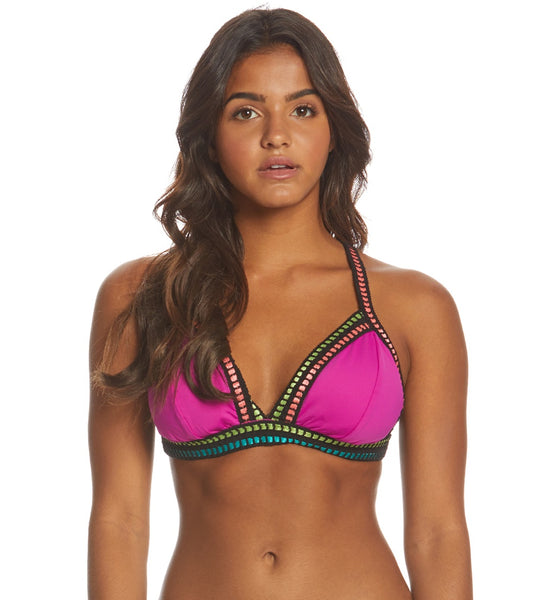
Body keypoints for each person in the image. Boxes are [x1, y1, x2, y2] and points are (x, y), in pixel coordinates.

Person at [88, 8, 472, 599]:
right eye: (246, 111)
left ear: (333, 128)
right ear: (209, 134)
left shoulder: (414, 307)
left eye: (302, 109)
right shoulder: (141, 296)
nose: (276, 135)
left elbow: (437, 532)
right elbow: (120, 520)